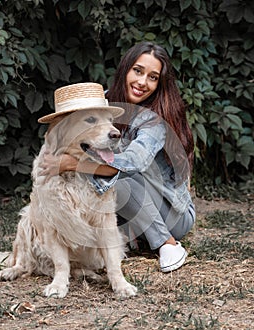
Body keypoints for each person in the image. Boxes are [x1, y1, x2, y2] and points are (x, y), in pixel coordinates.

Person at [40, 41, 196, 273]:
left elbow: (129, 164)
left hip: (172, 213)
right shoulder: (100, 102)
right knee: (86, 176)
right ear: (126, 69)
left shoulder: (153, 121)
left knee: (116, 177)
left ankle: (168, 244)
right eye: (138, 71)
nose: (143, 82)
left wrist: (71, 163)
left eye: (153, 77)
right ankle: (131, 237)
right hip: (126, 210)